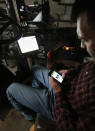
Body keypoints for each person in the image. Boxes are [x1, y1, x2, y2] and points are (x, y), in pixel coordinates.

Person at [6, 0, 95, 130]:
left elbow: (69, 127)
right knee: (36, 69)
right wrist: (70, 72)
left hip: (60, 102)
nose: (81, 45)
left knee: (11, 89)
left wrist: (57, 93)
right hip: (66, 83)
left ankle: (33, 117)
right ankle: (39, 97)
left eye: (86, 39)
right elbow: (86, 67)